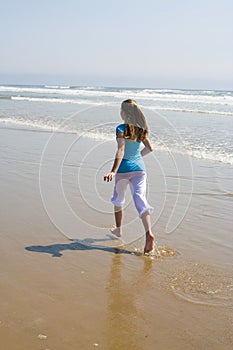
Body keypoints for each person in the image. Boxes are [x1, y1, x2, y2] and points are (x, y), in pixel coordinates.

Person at [104, 99, 155, 253]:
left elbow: (120, 150)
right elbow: (150, 148)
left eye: (121, 110)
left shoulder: (120, 128)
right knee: (140, 199)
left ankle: (119, 230)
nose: (120, 113)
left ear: (124, 113)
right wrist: (137, 157)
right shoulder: (140, 129)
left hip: (123, 170)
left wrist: (113, 170)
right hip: (140, 169)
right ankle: (149, 233)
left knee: (118, 200)